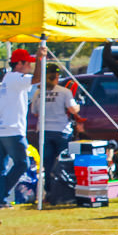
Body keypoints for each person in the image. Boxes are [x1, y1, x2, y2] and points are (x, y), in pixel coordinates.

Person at [0, 46, 47, 209]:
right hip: (12, 129)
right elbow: (37, 79)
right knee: (22, 163)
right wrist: (39, 59)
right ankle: (1, 194)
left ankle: (0, 197)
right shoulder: (15, 78)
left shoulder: (10, 78)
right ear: (19, 64)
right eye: (28, 63)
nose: (29, 66)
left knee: (0, 164)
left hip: (0, 127)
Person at [30, 64, 80, 195]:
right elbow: (73, 109)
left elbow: (34, 112)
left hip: (44, 131)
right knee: (63, 162)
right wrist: (78, 105)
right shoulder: (65, 92)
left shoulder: (38, 92)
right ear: (57, 76)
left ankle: (50, 191)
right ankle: (64, 190)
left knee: (47, 164)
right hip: (62, 130)